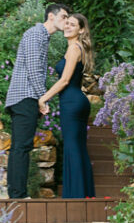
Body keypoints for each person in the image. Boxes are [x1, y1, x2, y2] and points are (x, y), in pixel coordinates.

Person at [5, 3, 69, 199]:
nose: (67, 21)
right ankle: (17, 195)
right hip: (25, 96)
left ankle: (17, 193)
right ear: (51, 16)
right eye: (64, 17)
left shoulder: (42, 36)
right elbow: (34, 70)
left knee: (22, 146)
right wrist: (43, 98)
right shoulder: (35, 34)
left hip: (28, 96)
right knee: (21, 147)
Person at [39, 12, 95, 198]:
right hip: (74, 100)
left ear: (81, 29)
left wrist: (44, 98)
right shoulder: (75, 47)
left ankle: (76, 197)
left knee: (72, 147)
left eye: (73, 24)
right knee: (77, 147)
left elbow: (64, 81)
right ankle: (83, 194)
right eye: (67, 23)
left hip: (72, 102)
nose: (68, 26)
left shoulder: (74, 49)